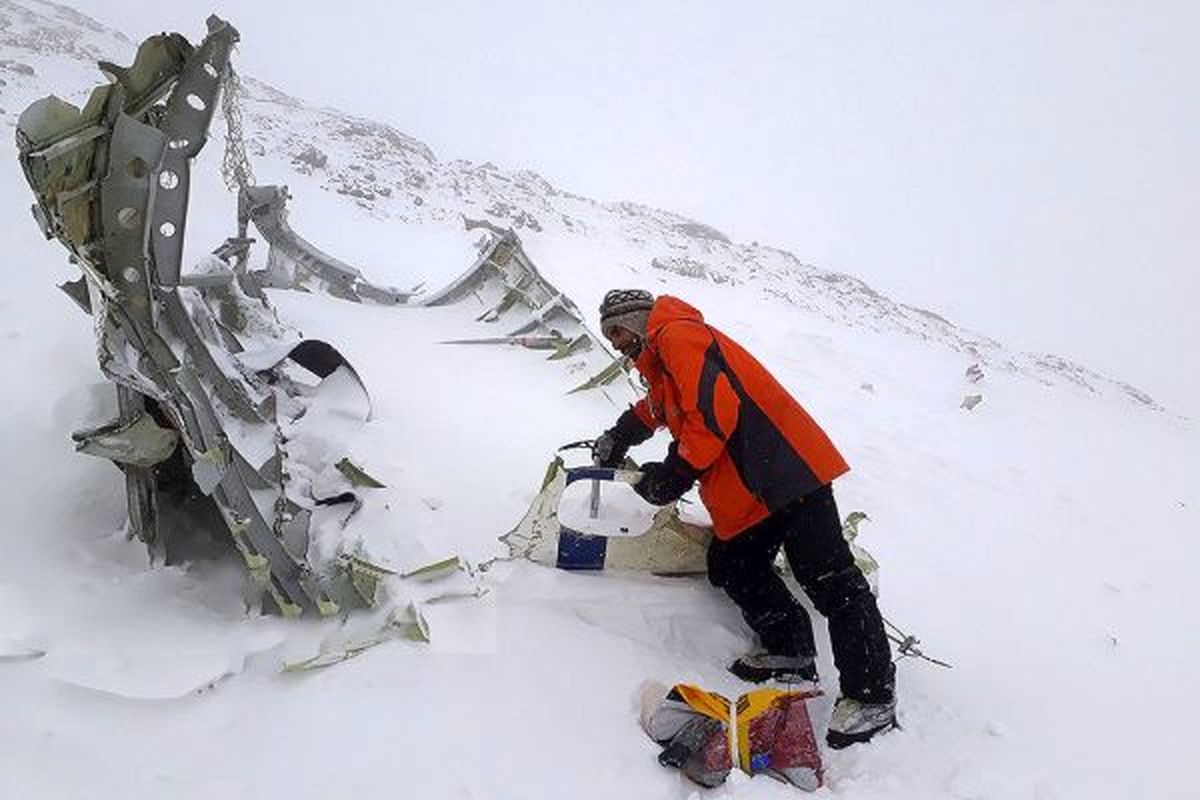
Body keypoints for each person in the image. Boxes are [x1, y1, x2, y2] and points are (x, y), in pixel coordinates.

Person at [592, 289, 896, 748]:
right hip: (753, 487)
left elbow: (715, 413)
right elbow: (660, 407)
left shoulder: (677, 335)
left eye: (617, 330)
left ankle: (872, 695)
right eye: (608, 335)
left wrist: (675, 474)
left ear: (638, 320)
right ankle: (790, 649)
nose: (615, 342)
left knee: (830, 579)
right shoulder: (662, 362)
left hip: (789, 471)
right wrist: (621, 433)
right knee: (734, 563)